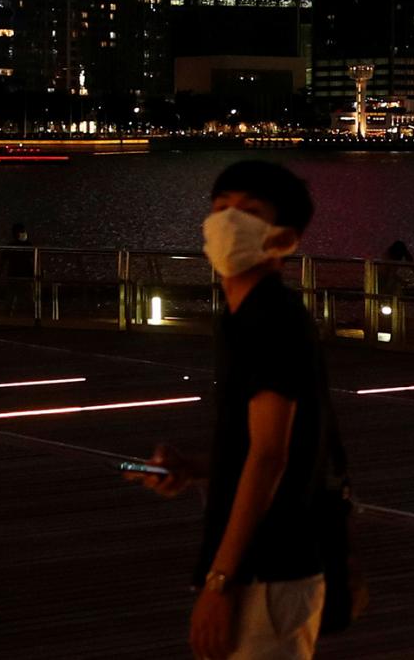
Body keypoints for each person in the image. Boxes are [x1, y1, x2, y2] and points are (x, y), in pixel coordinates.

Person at [131, 161, 344, 659]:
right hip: (258, 568)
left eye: (248, 213)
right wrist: (197, 468)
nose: (226, 222)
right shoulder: (242, 316)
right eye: (220, 208)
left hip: (267, 573)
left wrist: (219, 584)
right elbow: (270, 444)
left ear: (282, 240)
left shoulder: (271, 318)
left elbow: (271, 456)